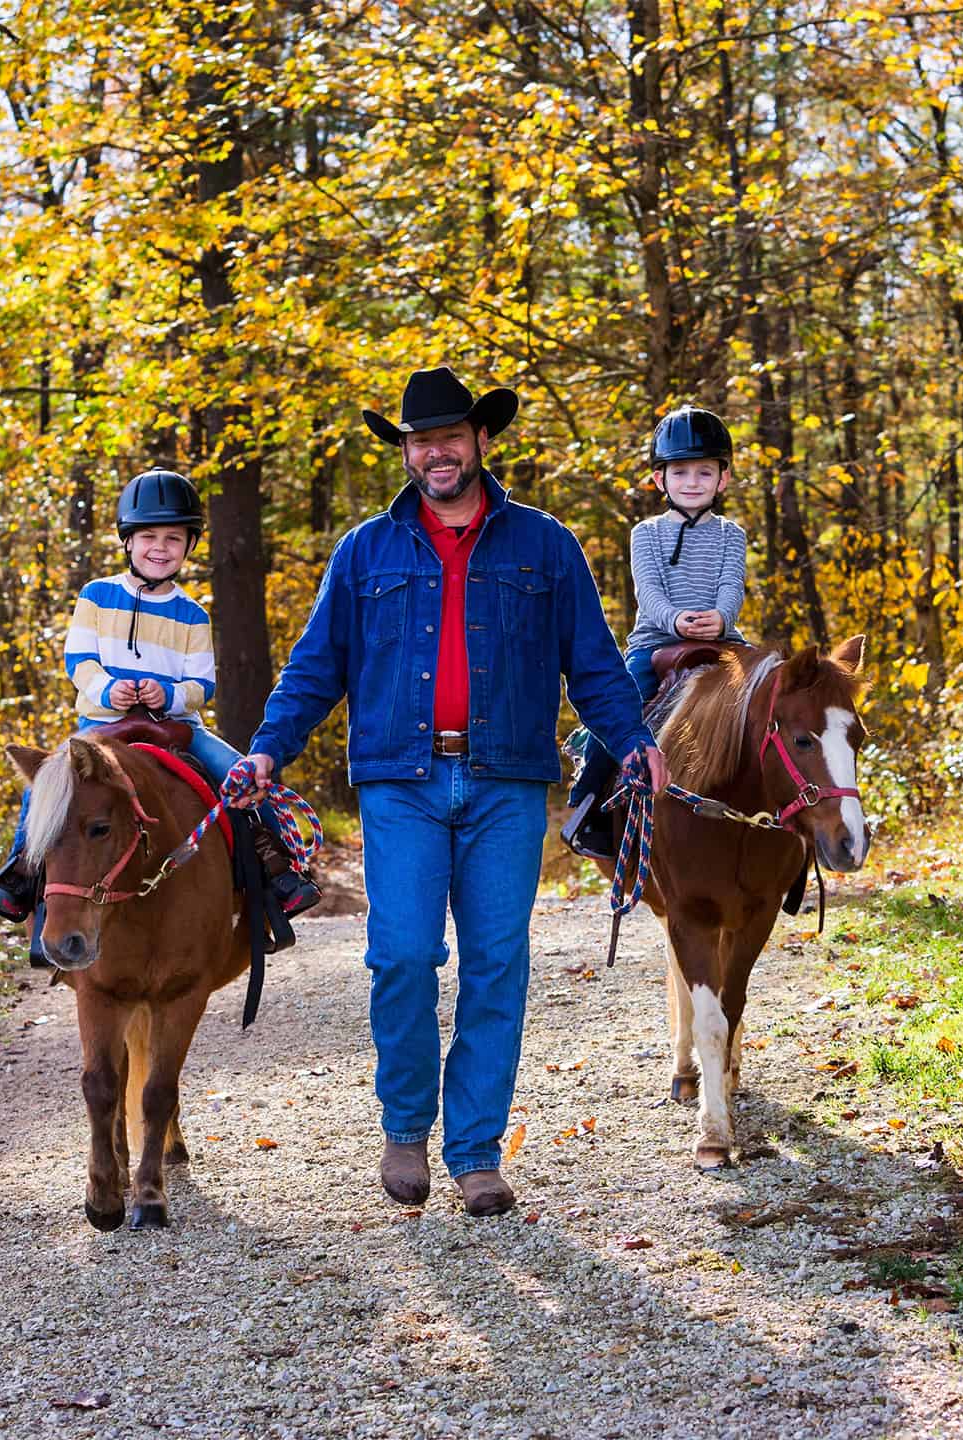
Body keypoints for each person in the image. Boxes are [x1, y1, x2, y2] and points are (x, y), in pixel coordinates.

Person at [226, 367, 668, 1217]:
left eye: (450, 437)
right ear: (406, 451)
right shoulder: (365, 550)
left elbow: (596, 665)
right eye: (420, 440)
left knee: (497, 965)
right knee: (400, 956)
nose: (436, 452)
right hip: (403, 783)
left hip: (507, 781)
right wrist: (269, 750)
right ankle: (404, 1129)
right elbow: (317, 667)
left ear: (480, 442)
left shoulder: (545, 544)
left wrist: (636, 741)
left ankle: (475, 1152)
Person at [0, 468, 320, 924]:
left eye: (174, 539)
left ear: (189, 546)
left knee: (240, 775)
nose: (160, 548)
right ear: (128, 542)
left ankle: (278, 869)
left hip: (175, 729)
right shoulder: (97, 596)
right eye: (149, 537)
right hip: (102, 726)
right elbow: (79, 662)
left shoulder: (192, 614)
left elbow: (202, 685)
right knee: (48, 779)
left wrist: (167, 694)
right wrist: (108, 689)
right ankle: (22, 871)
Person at [562, 405, 745, 858]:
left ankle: (788, 820)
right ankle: (590, 806)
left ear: (723, 479)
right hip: (657, 642)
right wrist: (677, 621)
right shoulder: (646, 533)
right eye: (680, 472)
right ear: (660, 480)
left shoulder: (731, 535)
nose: (692, 482)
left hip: (722, 641)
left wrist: (721, 619)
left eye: (705, 472)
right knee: (622, 704)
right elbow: (650, 593)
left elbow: (731, 585)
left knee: (771, 696)